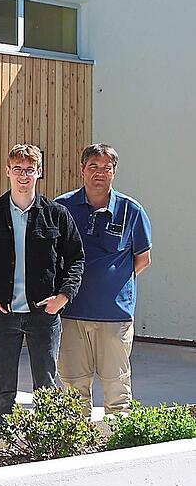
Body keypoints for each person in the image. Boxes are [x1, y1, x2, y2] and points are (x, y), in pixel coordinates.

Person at [0, 144, 84, 427]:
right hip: (3, 315)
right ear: (7, 172)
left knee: (46, 387)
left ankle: (47, 446)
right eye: (17, 169)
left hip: (44, 314)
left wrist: (63, 296)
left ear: (39, 173)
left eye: (29, 170)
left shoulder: (56, 214)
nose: (23, 175)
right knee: (4, 390)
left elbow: (76, 258)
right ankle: (5, 445)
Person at [56, 144, 152, 415]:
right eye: (93, 167)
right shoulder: (62, 207)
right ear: (82, 170)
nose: (100, 173)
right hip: (72, 315)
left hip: (115, 317)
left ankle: (117, 450)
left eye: (106, 167)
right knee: (73, 391)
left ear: (114, 172)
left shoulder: (130, 210)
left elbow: (142, 259)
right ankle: (76, 451)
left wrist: (112, 284)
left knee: (116, 390)